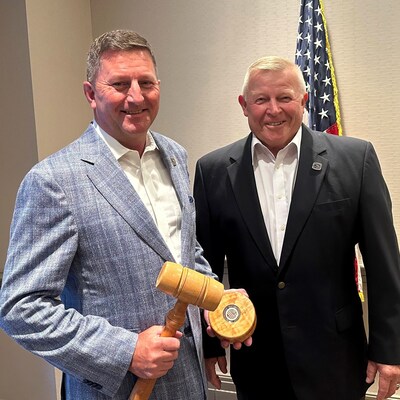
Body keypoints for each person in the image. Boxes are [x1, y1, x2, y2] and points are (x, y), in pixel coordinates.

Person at [0, 29, 225, 400]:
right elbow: (21, 308)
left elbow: (184, 252)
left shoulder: (176, 156)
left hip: (189, 383)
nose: (136, 96)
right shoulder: (53, 181)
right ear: (90, 94)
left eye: (146, 83)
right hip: (118, 391)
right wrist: (125, 351)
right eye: (119, 84)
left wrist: (219, 301)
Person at [194, 55, 400, 400]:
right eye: (261, 99)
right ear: (244, 105)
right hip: (255, 359)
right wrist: (209, 345)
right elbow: (206, 266)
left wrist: (390, 348)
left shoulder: (356, 159)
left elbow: (384, 264)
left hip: (336, 359)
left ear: (303, 101)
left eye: (285, 97)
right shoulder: (212, 170)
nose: (273, 110)